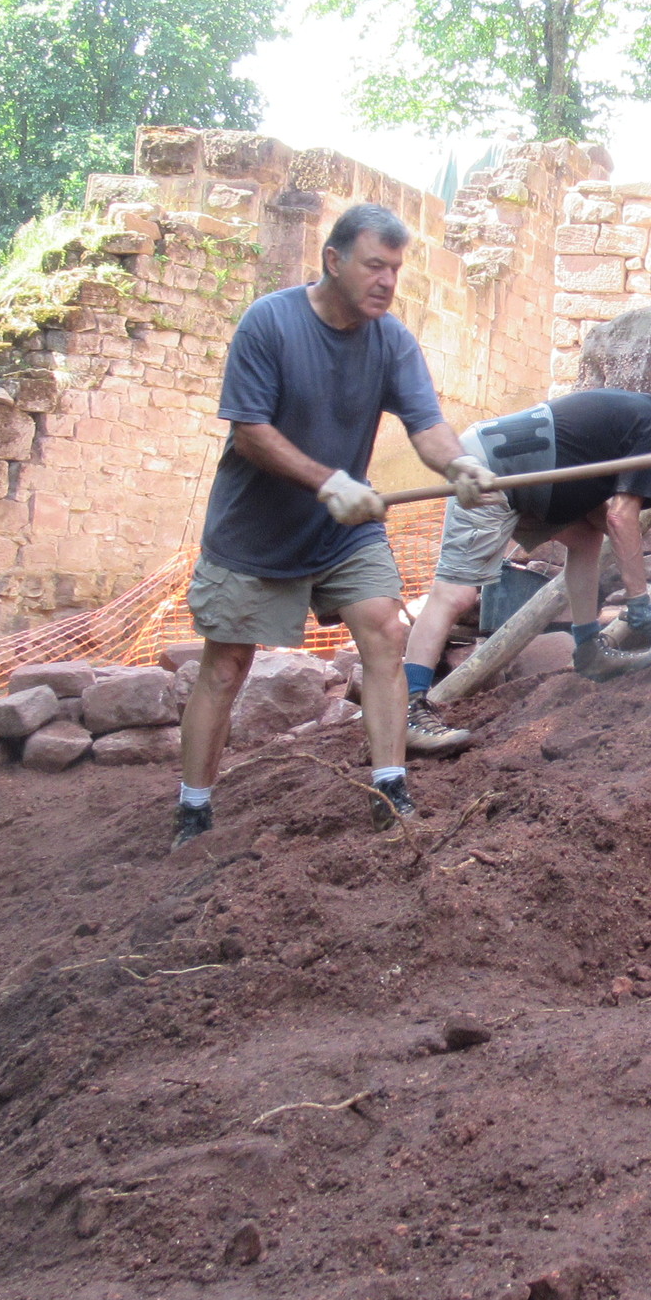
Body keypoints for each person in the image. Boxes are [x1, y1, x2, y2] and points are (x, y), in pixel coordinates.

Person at [173, 202, 487, 847]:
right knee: (226, 669)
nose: (387, 281)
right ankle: (194, 809)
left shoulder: (392, 340)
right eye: (374, 265)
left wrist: (458, 463)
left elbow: (426, 424)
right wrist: (328, 481)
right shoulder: (270, 323)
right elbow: (250, 431)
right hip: (255, 529)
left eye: (395, 268)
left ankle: (391, 790)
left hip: (343, 528)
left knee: (385, 631)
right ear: (334, 260)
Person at [399, 373, 651, 750]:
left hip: (522, 476)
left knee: (586, 538)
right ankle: (407, 710)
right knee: (455, 594)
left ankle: (589, 651)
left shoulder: (632, 414)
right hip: (491, 471)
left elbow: (606, 518)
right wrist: (639, 601)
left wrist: (632, 573)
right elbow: (622, 517)